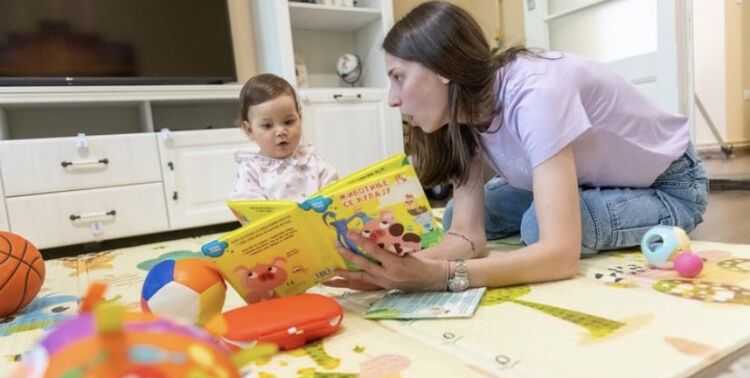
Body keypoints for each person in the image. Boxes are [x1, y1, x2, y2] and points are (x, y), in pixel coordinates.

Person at [326, 1, 708, 292]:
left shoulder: (536, 92)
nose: (392, 99)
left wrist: (439, 276)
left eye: (398, 77)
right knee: (458, 212)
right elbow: (467, 237)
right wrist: (386, 270)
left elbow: (559, 256)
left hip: (670, 186)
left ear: (441, 69)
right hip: (586, 180)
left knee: (539, 228)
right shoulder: (462, 113)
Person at [232, 73, 338, 202]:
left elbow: (332, 184)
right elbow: (248, 204)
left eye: (288, 122)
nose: (281, 131)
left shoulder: (309, 159)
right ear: (249, 130)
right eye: (268, 125)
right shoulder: (251, 169)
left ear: (300, 118)